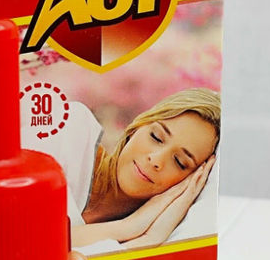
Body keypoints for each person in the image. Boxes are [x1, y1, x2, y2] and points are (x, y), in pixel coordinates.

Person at [21, 88, 220, 250]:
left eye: (179, 162)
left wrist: (146, 240)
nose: (155, 159)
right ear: (137, 127)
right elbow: (23, 239)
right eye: (156, 137)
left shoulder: (157, 230)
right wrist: (128, 227)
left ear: (194, 180)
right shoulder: (69, 133)